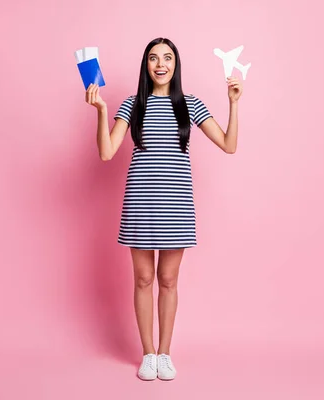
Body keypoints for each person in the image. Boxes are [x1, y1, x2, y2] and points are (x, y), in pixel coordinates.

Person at [84, 37, 242, 381]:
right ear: (146, 65)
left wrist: (233, 103)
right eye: (154, 58)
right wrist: (102, 112)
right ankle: (148, 354)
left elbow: (229, 145)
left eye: (167, 58)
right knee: (142, 279)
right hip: (140, 204)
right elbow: (107, 151)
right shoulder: (132, 105)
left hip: (176, 207)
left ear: (175, 65)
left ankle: (165, 354)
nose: (160, 64)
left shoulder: (190, 104)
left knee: (168, 280)